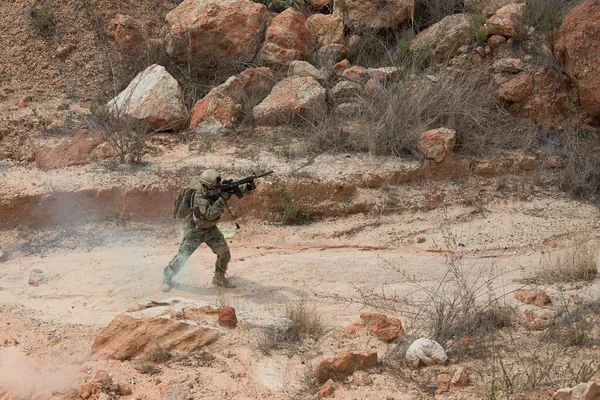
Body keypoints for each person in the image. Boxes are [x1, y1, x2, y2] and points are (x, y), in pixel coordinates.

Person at [161, 168, 255, 292]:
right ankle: (167, 278)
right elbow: (210, 214)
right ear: (207, 186)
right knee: (181, 258)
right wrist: (222, 199)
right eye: (215, 185)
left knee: (224, 254)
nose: (218, 186)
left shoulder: (213, 189)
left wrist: (247, 187)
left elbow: (230, 190)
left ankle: (219, 278)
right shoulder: (199, 196)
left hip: (210, 229)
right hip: (195, 231)